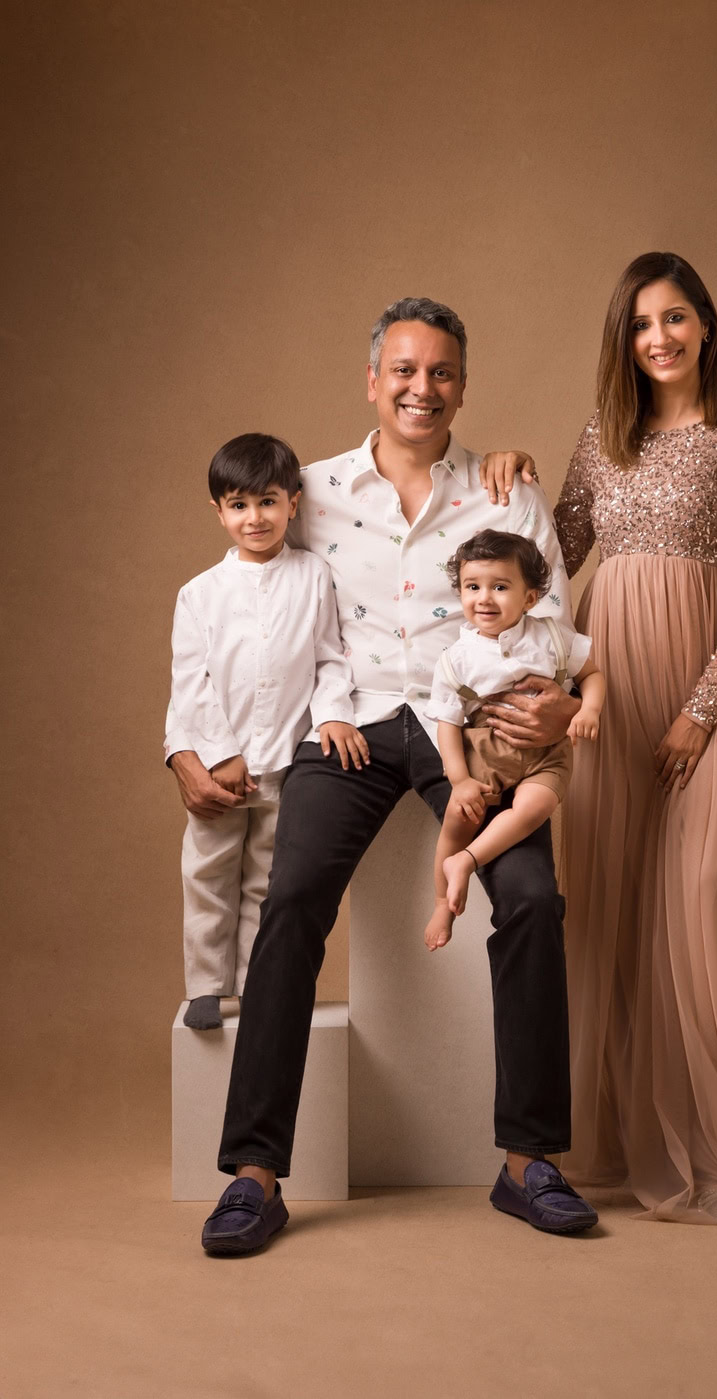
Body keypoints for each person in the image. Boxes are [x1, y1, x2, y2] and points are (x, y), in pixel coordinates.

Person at [166, 298, 600, 1253]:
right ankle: (252, 1172)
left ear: (461, 386)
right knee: (291, 901)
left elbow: (558, 622)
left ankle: (529, 1161)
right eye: (403, 370)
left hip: (476, 734)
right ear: (372, 381)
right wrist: (189, 740)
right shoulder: (309, 489)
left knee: (530, 896)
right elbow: (229, 598)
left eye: (440, 372)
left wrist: (563, 705)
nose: (421, 387)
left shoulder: (503, 492)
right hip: (351, 728)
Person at [485, 253, 717, 1224]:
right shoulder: (606, 434)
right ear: (624, 338)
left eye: (675, 318)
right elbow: (548, 555)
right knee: (616, 899)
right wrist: (513, 476)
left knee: (701, 900)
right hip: (609, 687)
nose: (660, 338)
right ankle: (623, 1128)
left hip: (699, 686)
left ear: (705, 323)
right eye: (642, 324)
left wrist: (702, 706)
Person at [169, 434, 364, 1031]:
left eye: (268, 502)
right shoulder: (199, 594)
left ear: (293, 503)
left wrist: (333, 712)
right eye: (238, 505)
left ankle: (259, 985)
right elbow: (191, 682)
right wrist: (219, 754)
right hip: (221, 769)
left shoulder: (314, 576)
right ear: (218, 511)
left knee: (267, 881)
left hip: (286, 761)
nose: (255, 518)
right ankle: (206, 983)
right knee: (207, 875)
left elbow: (332, 657)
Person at [424, 529, 603, 951]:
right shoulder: (456, 660)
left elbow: (591, 675)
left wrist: (588, 709)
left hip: (547, 754)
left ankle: (466, 861)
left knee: (534, 808)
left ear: (530, 598)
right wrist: (460, 779)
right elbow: (448, 724)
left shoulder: (554, 638)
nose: (484, 598)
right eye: (473, 587)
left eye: (499, 587)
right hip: (485, 751)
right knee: (459, 817)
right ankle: (441, 903)